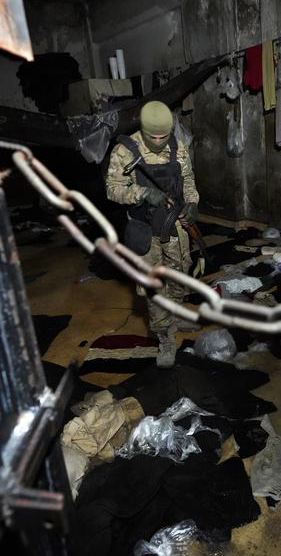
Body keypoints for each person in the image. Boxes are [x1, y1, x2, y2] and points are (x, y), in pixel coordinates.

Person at [104, 101, 199, 368]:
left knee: (182, 272)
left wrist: (192, 204)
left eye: (163, 136)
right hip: (145, 229)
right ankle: (165, 338)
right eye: (153, 137)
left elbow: (188, 181)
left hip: (175, 224)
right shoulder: (125, 151)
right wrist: (142, 193)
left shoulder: (178, 148)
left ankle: (176, 313)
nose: (158, 141)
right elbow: (112, 189)